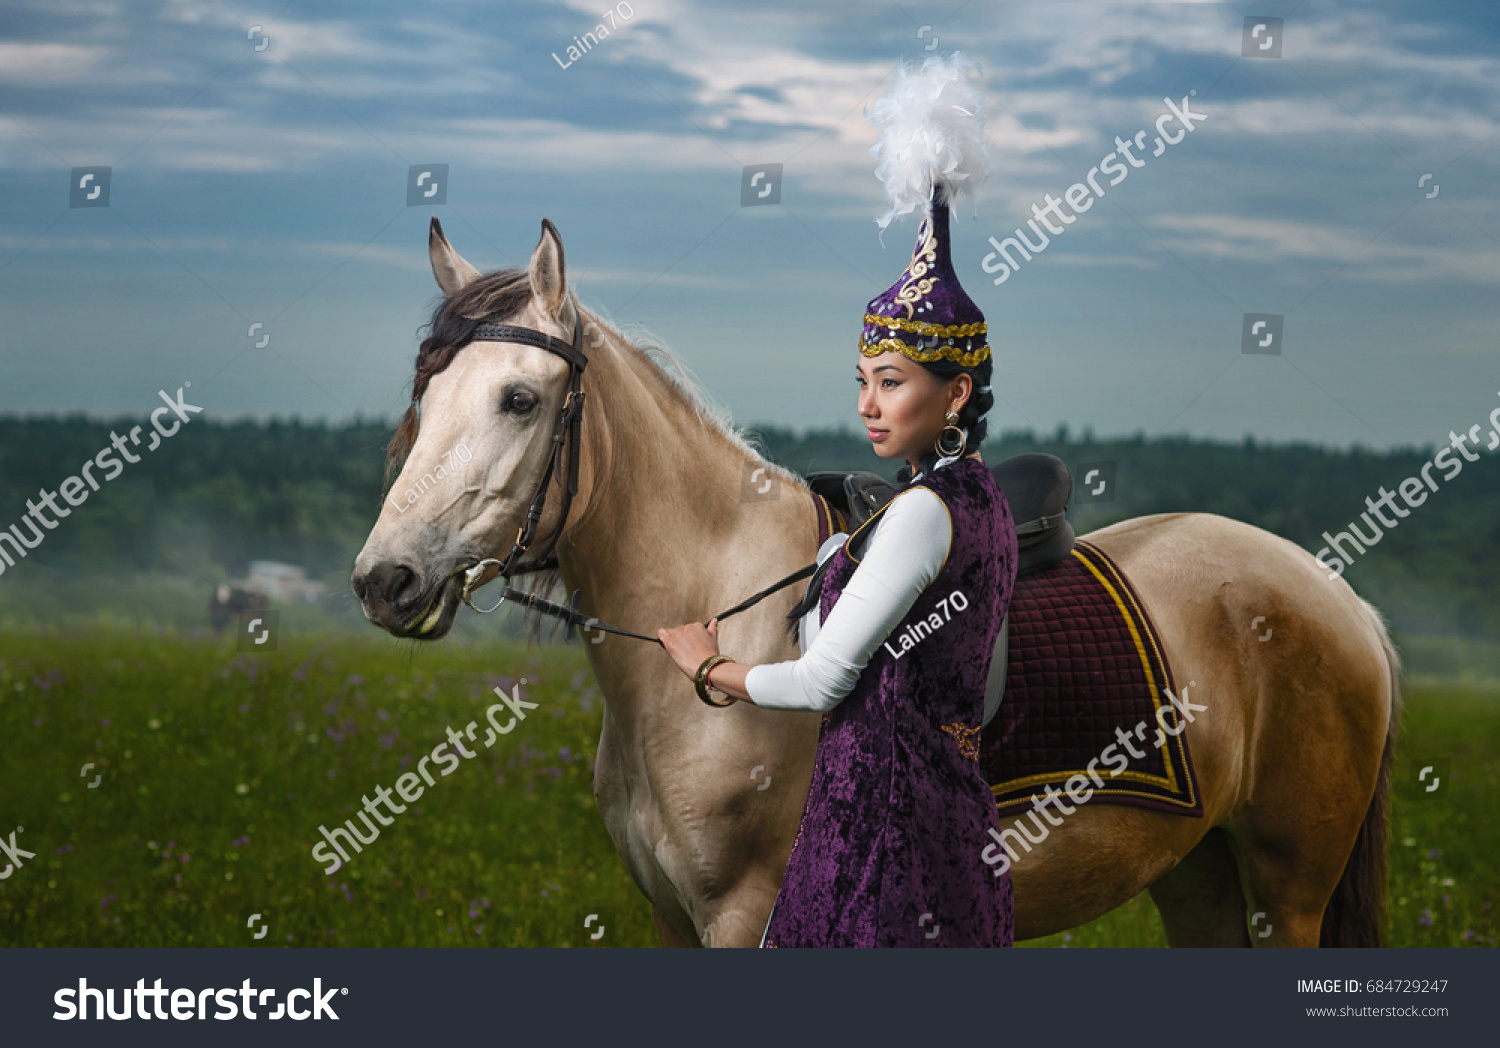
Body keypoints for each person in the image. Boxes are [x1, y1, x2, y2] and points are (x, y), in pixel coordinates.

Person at [658, 68, 1019, 943]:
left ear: (957, 390)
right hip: (940, 823)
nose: (867, 403)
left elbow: (824, 680)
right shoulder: (979, 498)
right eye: (861, 381)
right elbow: (857, 647)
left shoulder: (924, 513)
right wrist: (836, 570)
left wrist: (711, 670)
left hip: (884, 833)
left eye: (891, 383)